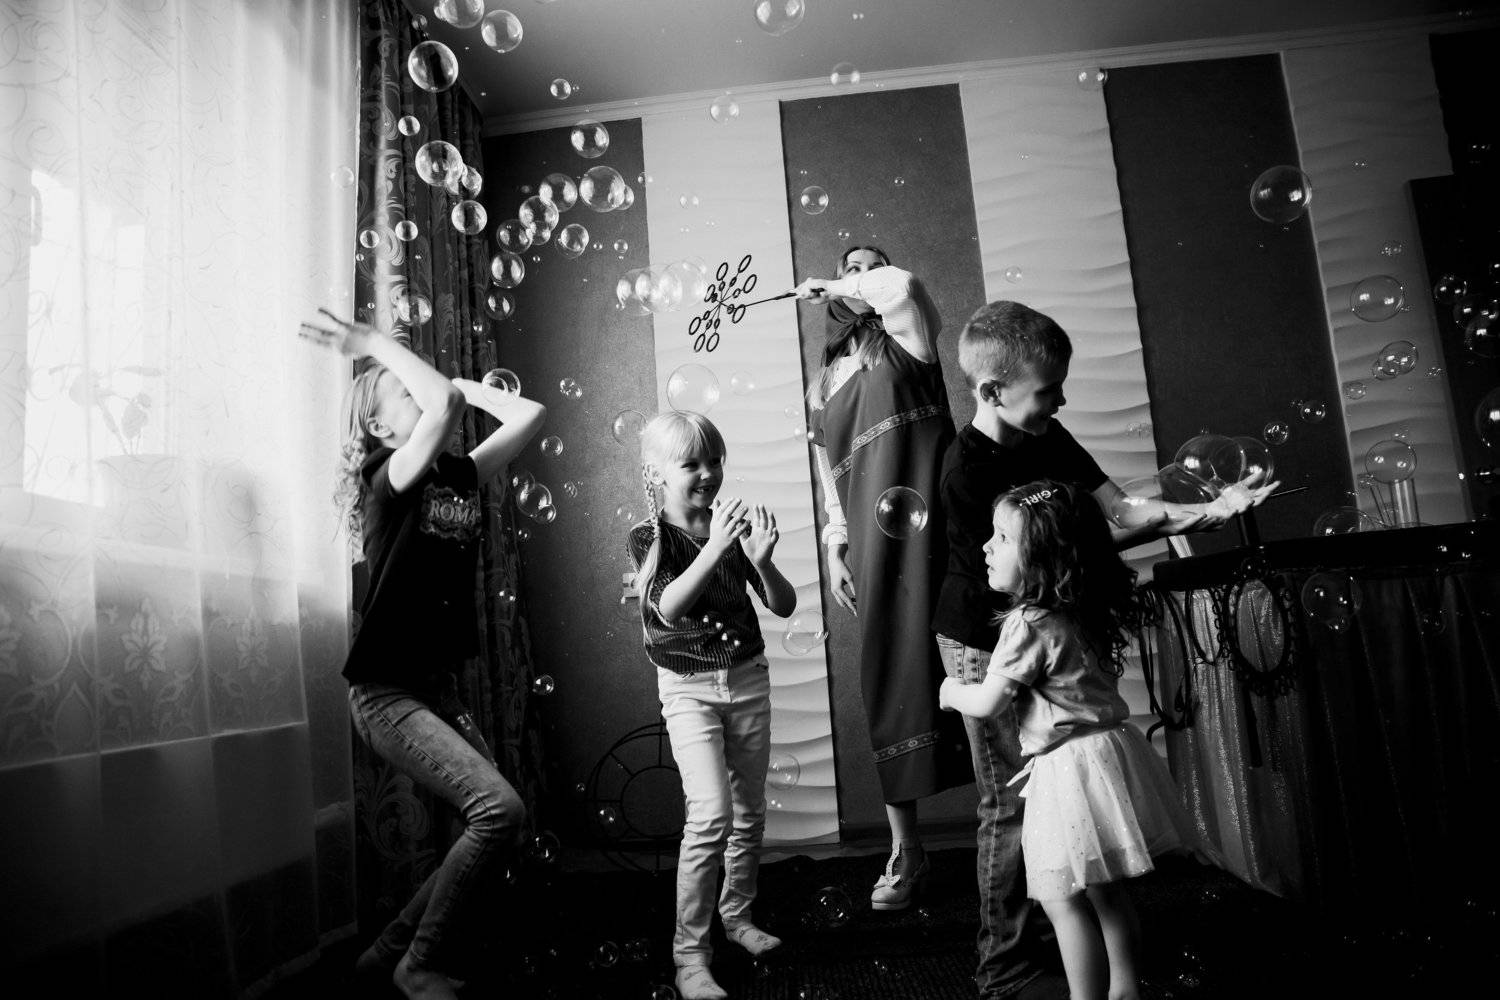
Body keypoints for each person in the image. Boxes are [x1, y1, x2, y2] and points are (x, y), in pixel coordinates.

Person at [932, 300, 1275, 999]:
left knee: (1056, 807)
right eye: (1048, 389)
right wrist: (1182, 519)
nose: (1060, 401)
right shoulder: (965, 470)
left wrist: (1204, 511)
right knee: (1010, 805)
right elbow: (1061, 551)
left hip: (1044, 629)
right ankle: (1004, 966)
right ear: (993, 390)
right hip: (987, 640)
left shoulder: (1048, 434)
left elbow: (1116, 511)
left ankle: (1070, 945)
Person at [304, 311, 546, 1000]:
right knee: (499, 811)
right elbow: (440, 407)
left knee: (497, 823)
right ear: (379, 428)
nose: (426, 393)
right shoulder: (389, 476)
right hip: (386, 693)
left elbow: (530, 414)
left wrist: (464, 387)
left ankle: (385, 957)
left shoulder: (457, 475)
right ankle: (417, 964)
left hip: (434, 689)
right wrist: (376, 346)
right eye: (404, 392)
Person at [939, 481, 1224, 1000]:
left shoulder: (1027, 623)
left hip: (1067, 770)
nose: (986, 546)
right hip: (1109, 755)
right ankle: (1125, 988)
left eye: (1002, 538)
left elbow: (989, 703)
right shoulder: (1080, 608)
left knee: (1060, 899)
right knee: (1106, 890)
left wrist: (951, 690)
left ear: (1039, 558)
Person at [797, 247, 972, 912]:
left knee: (973, 662)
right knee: (890, 674)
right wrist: (835, 547)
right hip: (875, 542)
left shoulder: (909, 334)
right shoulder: (822, 383)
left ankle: (1013, 832)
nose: (861, 272)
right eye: (851, 265)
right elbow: (830, 480)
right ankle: (907, 849)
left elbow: (902, 286)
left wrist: (839, 280)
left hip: (943, 527)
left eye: (870, 264)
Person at [629, 410, 797, 1000]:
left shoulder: (731, 525)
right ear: (657, 474)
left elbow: (782, 605)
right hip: (688, 689)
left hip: (747, 679)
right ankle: (690, 956)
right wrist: (718, 546)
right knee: (710, 816)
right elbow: (668, 607)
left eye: (715, 461)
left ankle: (738, 917)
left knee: (749, 811)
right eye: (691, 464)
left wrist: (762, 561)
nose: (708, 473)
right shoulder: (649, 537)